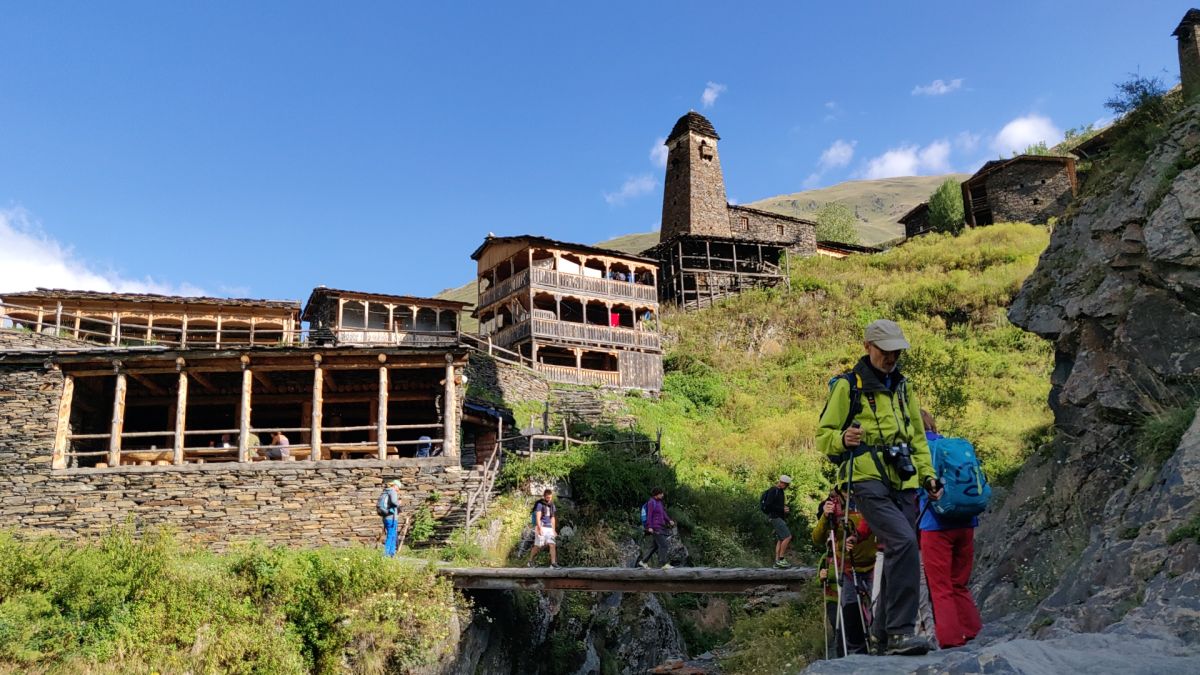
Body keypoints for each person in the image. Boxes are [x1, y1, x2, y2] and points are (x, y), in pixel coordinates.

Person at [817, 319, 940, 656]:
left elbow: (917, 437)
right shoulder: (847, 386)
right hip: (865, 478)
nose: (891, 357)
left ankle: (882, 636)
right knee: (903, 542)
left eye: (896, 351)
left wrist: (928, 476)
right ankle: (900, 632)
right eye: (885, 350)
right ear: (868, 346)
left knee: (898, 549)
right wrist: (842, 438)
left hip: (903, 478)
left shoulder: (904, 387)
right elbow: (823, 437)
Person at [918, 410, 983, 649]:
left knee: (940, 587)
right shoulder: (951, 446)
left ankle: (950, 640)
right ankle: (972, 630)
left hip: (936, 526)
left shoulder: (921, 451)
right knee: (959, 583)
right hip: (966, 523)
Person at [813, 487, 877, 657]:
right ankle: (855, 653)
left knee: (876, 609)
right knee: (850, 612)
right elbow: (817, 538)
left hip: (873, 563)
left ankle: (877, 646)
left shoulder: (872, 495)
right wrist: (825, 516)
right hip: (847, 567)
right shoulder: (834, 504)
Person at [637, 487, 676, 570]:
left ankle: (643, 562)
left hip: (660, 526)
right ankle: (664, 564)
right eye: (661, 493)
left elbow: (663, 513)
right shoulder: (651, 502)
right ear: (657, 494)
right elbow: (649, 515)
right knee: (664, 545)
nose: (663, 495)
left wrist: (669, 520)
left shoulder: (659, 502)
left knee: (655, 546)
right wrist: (649, 527)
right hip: (655, 528)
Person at [761, 475, 793, 568]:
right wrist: (782, 509)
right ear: (782, 482)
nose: (786, 487)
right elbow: (768, 505)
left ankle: (777, 562)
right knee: (788, 537)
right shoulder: (773, 490)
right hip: (775, 517)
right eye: (786, 485)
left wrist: (784, 510)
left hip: (778, 517)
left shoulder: (780, 491)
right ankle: (781, 559)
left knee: (781, 539)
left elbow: (777, 506)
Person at [526, 489, 559, 568]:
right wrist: (539, 528)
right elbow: (538, 516)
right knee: (538, 546)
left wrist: (553, 530)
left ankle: (553, 564)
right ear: (544, 496)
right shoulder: (540, 504)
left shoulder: (552, 505)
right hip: (541, 526)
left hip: (549, 528)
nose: (549, 499)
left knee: (552, 544)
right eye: (547, 497)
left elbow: (553, 518)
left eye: (550, 497)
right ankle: (530, 561)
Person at [377, 479, 402, 557]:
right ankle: (386, 554)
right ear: (395, 485)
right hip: (391, 517)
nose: (398, 489)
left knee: (392, 534)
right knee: (391, 535)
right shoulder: (392, 491)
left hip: (386, 516)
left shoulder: (386, 491)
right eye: (398, 487)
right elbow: (394, 502)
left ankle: (392, 553)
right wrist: (399, 503)